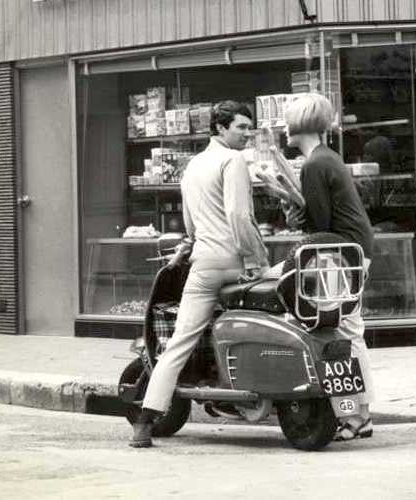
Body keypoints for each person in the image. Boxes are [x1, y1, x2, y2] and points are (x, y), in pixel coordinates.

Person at [130, 101, 270, 447]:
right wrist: (257, 260)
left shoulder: (193, 165)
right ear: (220, 128)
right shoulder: (232, 160)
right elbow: (239, 215)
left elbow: (190, 224)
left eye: (249, 127)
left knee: (179, 342)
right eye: (240, 127)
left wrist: (186, 248)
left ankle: (144, 423)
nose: (246, 133)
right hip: (234, 262)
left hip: (204, 264)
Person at [281, 93, 377, 441]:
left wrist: (295, 215)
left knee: (344, 333)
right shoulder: (326, 158)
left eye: (288, 121)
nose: (283, 128)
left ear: (298, 125)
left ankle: (357, 416)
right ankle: (359, 414)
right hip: (351, 250)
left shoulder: (313, 165)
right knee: (348, 331)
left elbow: (319, 228)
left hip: (340, 255)